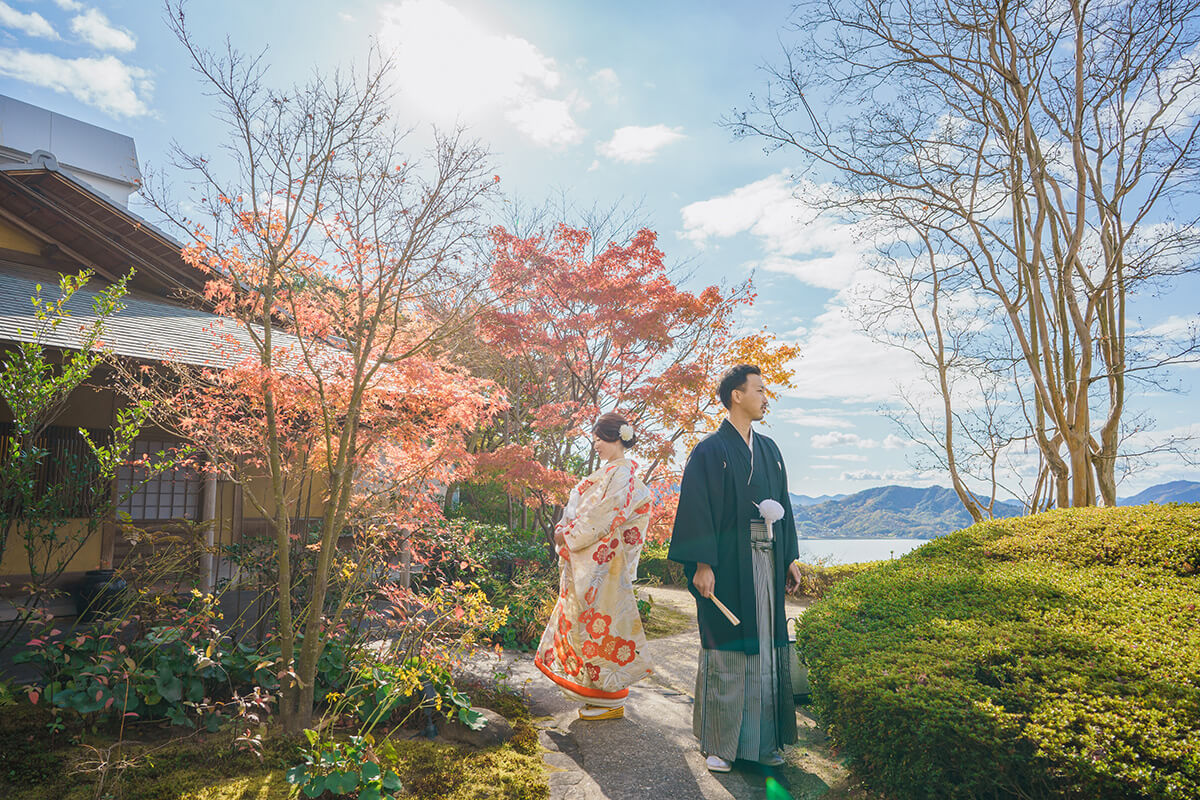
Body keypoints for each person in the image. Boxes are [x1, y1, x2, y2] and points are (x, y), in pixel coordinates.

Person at [668, 364, 802, 772]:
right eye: (759, 390)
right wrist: (702, 564)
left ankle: (763, 743)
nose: (765, 398)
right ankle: (720, 744)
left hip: (766, 559)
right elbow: (697, 507)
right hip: (726, 564)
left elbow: (784, 502)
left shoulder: (770, 451)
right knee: (727, 648)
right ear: (736, 396)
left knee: (765, 647)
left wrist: (790, 557)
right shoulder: (709, 450)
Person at [534, 412, 654, 720]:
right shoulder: (610, 472)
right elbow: (587, 514)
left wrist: (567, 534)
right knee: (592, 628)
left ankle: (610, 698)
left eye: (600, 438)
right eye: (596, 438)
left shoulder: (622, 475)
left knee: (603, 630)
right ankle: (600, 695)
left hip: (607, 566)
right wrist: (565, 530)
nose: (596, 444)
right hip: (599, 563)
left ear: (618, 438)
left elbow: (603, 516)